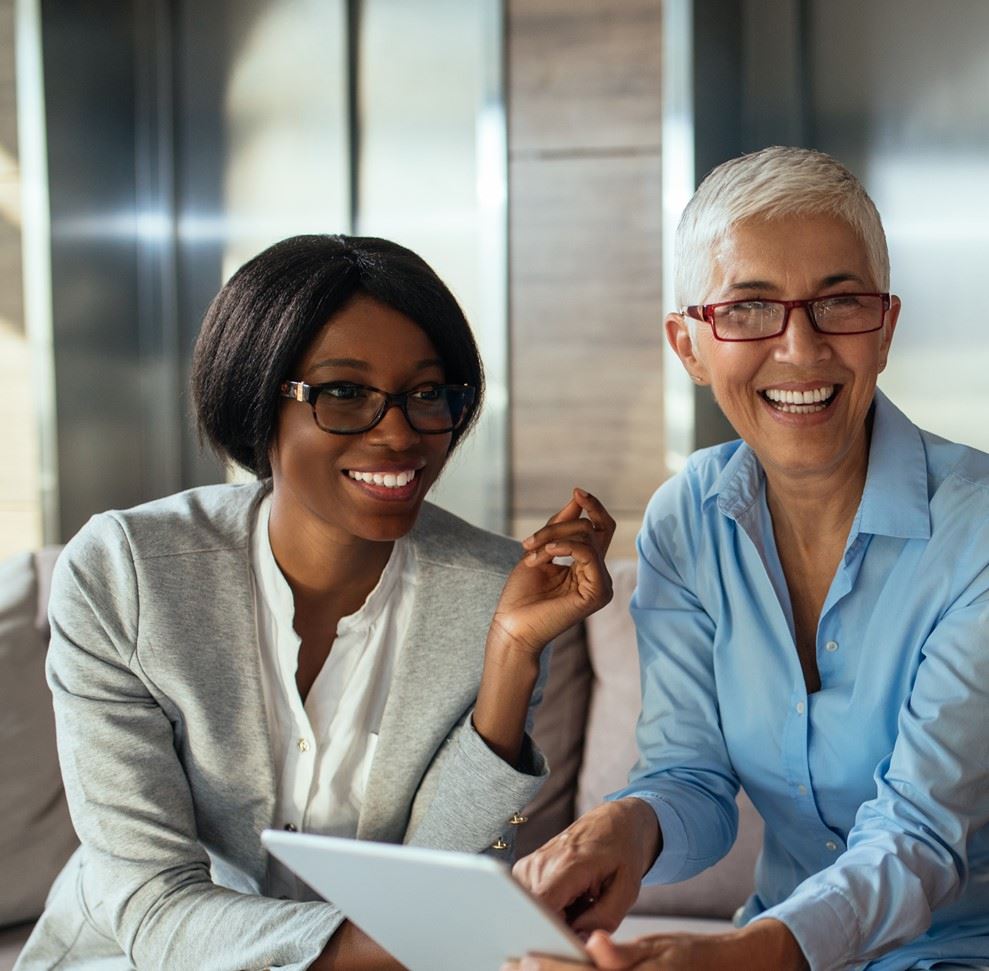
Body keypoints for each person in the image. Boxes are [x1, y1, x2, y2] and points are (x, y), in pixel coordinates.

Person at [16, 234, 615, 971]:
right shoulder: (126, 573)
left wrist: (512, 655)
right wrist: (410, 947)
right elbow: (151, 899)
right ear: (255, 396)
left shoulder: (495, 586)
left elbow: (442, 886)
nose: (399, 434)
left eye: (427, 393)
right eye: (343, 392)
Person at [509, 147, 989, 971]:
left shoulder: (975, 528)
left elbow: (917, 834)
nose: (800, 349)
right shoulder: (684, 522)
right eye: (748, 308)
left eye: (839, 303)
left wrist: (745, 957)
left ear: (884, 328)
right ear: (689, 344)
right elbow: (690, 775)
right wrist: (621, 827)